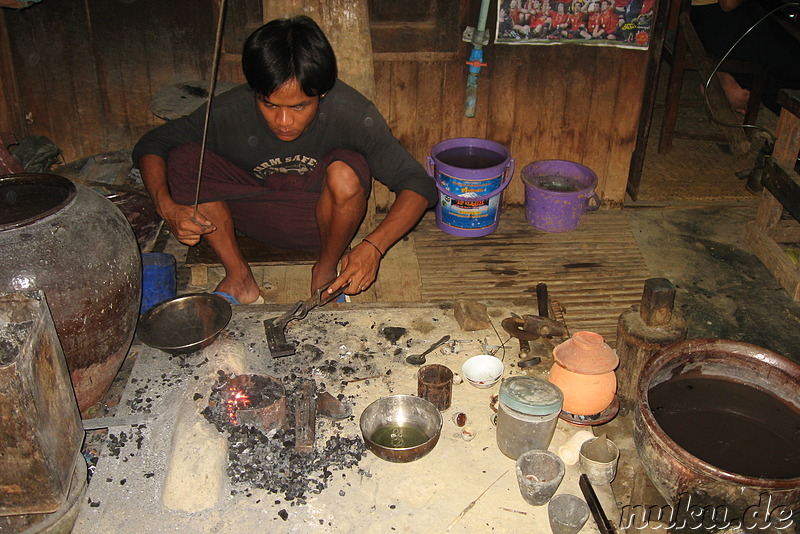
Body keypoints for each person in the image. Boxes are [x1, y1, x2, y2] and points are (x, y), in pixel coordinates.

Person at [133, 16, 437, 304]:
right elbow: (153, 144)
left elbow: (419, 184)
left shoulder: (352, 113)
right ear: (256, 91)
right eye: (269, 104)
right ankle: (240, 277)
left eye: (299, 107)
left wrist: (374, 246)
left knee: (346, 170)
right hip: (249, 215)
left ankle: (325, 270)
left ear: (323, 93)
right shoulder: (230, 109)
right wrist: (167, 207)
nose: (282, 120)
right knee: (185, 159)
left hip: (319, 224)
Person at [690, 0, 800, 114]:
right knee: (791, 65)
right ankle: (731, 86)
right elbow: (728, 4)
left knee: (780, 63)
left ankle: (730, 84)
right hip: (723, 23)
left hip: (703, 18)